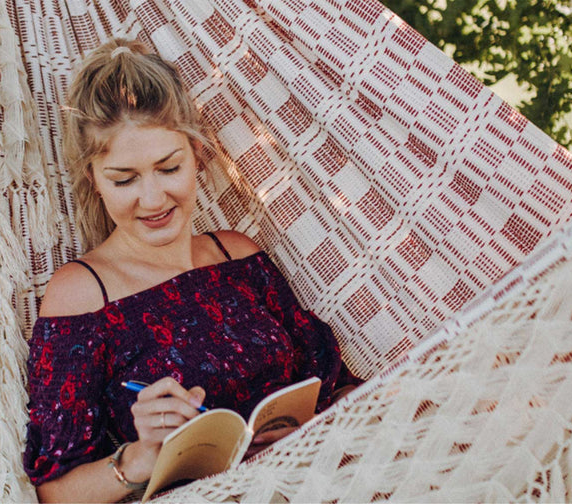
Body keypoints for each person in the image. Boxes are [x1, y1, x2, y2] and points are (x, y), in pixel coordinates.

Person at [23, 38, 360, 503]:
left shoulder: (238, 256)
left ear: (196, 157)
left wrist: (315, 427)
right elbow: (55, 494)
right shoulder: (81, 295)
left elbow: (337, 385)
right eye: (125, 179)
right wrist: (139, 458)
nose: (154, 199)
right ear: (94, 181)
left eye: (169, 168)